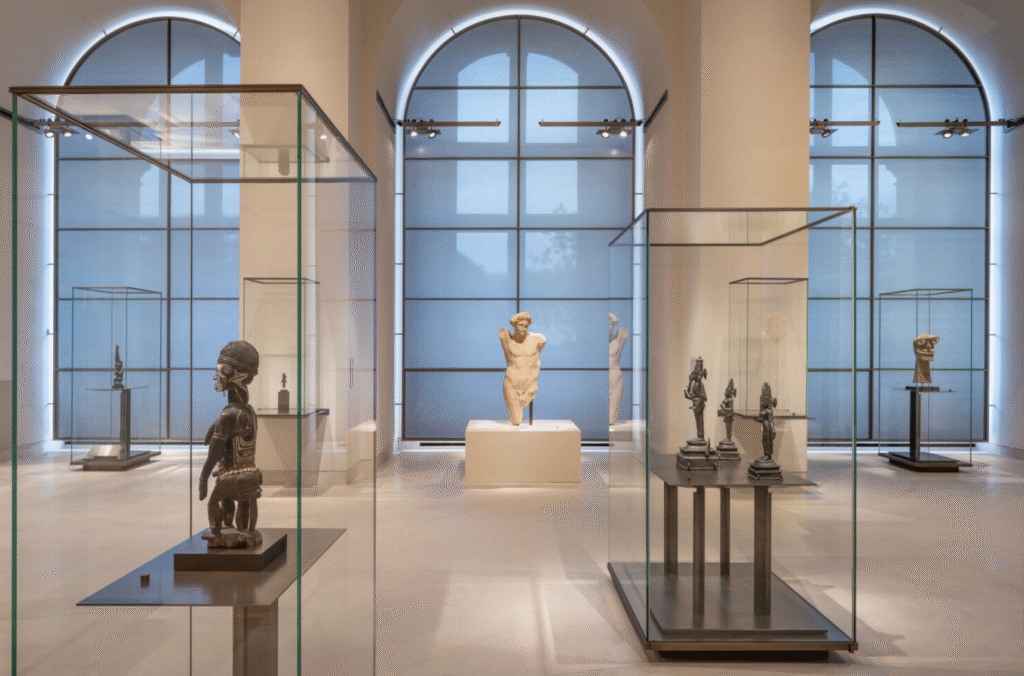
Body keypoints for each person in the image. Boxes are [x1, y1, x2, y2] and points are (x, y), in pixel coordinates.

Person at [200, 340, 263, 548]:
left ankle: (217, 534)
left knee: (213, 501)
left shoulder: (229, 416)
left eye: (220, 371)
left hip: (235, 477)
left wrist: (203, 478)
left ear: (235, 374)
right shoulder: (248, 411)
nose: (216, 376)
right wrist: (217, 426)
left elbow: (214, 455)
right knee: (230, 490)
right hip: (251, 474)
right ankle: (244, 530)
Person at [498, 311, 546, 426]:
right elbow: (502, 334)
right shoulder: (508, 340)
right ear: (514, 325)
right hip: (511, 382)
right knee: (516, 421)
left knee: (517, 420)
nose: (524, 328)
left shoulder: (538, 339)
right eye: (521, 325)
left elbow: (536, 362)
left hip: (529, 384)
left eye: (526, 325)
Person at [609, 313, 629, 425]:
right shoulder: (597, 343)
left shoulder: (618, 339)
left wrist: (612, 318)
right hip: (602, 380)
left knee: (611, 419)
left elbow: (624, 332)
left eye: (610, 324)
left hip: (615, 379)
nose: (608, 327)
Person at [683, 357, 708, 441]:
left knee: (700, 421)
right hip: (696, 406)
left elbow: (703, 398)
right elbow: (693, 396)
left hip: (698, 407)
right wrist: (687, 394)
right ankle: (699, 436)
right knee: (697, 421)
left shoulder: (701, 385)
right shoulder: (695, 384)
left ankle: (700, 436)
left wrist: (697, 404)